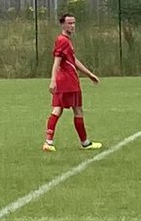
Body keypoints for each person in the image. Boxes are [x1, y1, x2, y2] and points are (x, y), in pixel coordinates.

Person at [43, 13, 102, 152]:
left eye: (74, 23)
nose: (72, 26)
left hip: (65, 81)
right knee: (77, 110)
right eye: (69, 23)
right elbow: (56, 61)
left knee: (58, 109)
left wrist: (89, 74)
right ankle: (85, 142)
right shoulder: (63, 40)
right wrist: (52, 80)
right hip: (68, 82)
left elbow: (73, 60)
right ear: (62, 25)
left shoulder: (66, 41)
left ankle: (48, 142)